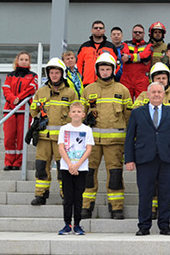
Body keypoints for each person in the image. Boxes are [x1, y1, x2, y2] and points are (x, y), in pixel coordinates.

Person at [132, 63, 170, 220]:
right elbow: (136, 113)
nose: (162, 80)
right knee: (150, 183)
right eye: (158, 78)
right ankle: (151, 209)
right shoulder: (144, 96)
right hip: (150, 148)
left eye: (164, 78)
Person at [125, 81, 170, 236]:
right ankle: (144, 226)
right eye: (154, 92)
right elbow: (130, 137)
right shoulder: (137, 113)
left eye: (159, 92)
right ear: (148, 94)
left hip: (167, 158)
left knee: (166, 193)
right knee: (145, 193)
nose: (156, 95)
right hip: (145, 159)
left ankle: (164, 225)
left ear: (163, 94)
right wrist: (129, 159)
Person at [80, 53, 132, 220]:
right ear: (97, 70)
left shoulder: (122, 90)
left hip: (115, 142)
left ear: (113, 70)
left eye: (107, 68)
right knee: (88, 174)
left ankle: (116, 208)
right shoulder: (88, 90)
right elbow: (79, 115)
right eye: (102, 69)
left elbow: (129, 117)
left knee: (115, 175)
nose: (104, 72)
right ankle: (86, 206)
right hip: (91, 142)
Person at [29, 58, 78, 206]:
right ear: (48, 74)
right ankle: (41, 195)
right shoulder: (41, 91)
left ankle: (66, 195)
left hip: (62, 140)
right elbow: (32, 111)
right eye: (52, 73)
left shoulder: (70, 93)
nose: (54, 75)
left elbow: (76, 113)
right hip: (44, 138)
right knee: (41, 167)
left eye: (57, 73)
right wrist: (37, 110)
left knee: (63, 169)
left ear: (62, 74)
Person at [57, 102, 93, 235]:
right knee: (68, 197)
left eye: (79, 112)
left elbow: (89, 149)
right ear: (69, 114)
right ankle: (67, 224)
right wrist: (70, 165)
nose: (76, 114)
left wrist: (77, 165)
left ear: (83, 115)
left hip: (81, 168)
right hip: (67, 167)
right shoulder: (64, 129)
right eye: (74, 111)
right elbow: (61, 147)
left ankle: (77, 224)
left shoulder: (87, 130)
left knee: (78, 196)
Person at [3, 51, 38, 171]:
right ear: (17, 61)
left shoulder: (33, 76)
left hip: (24, 110)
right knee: (9, 138)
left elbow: (31, 89)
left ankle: (18, 162)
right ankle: (9, 161)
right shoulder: (10, 75)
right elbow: (6, 89)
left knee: (21, 137)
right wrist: (13, 99)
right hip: (9, 110)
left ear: (29, 62)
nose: (24, 61)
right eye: (21, 59)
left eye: (26, 60)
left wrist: (19, 98)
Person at [77, 20, 117, 86]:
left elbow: (116, 65)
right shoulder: (84, 47)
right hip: (88, 83)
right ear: (92, 30)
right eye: (96, 28)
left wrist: (109, 76)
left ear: (104, 31)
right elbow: (79, 65)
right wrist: (85, 75)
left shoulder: (111, 47)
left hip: (106, 83)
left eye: (100, 28)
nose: (98, 29)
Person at [120, 24, 154, 100]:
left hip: (142, 80)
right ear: (132, 33)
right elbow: (124, 57)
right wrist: (139, 58)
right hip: (126, 79)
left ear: (144, 34)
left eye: (140, 32)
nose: (137, 33)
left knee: (142, 103)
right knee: (125, 102)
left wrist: (129, 57)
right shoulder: (125, 44)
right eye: (135, 32)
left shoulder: (149, 45)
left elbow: (146, 57)